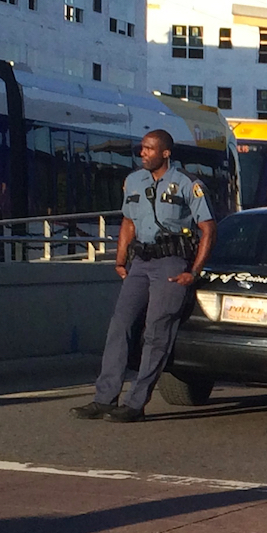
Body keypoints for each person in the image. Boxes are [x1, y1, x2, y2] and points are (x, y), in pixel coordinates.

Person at [70, 130, 216, 423]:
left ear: (165, 153)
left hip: (172, 263)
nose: (143, 153)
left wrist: (193, 272)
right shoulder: (133, 181)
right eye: (142, 149)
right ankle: (104, 398)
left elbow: (208, 228)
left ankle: (136, 402)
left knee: (156, 332)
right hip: (140, 262)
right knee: (119, 326)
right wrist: (120, 258)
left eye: (149, 149)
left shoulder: (187, 184)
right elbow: (128, 222)